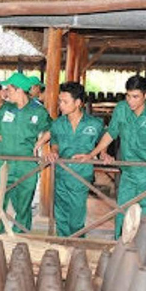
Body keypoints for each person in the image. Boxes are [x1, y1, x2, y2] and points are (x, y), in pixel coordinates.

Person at [80, 75, 146, 238]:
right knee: (122, 211)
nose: (130, 101)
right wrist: (93, 153)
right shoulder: (121, 109)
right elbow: (111, 133)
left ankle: (140, 247)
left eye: (135, 97)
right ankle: (119, 244)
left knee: (144, 215)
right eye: (128, 96)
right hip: (127, 171)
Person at [39, 82, 103, 236]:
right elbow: (55, 142)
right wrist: (53, 152)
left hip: (81, 174)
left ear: (78, 103)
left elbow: (104, 140)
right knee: (60, 215)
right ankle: (63, 246)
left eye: (65, 101)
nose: (61, 105)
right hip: (61, 174)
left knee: (76, 216)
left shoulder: (95, 124)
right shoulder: (58, 123)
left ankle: (77, 244)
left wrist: (102, 153)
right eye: (60, 101)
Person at [0, 72, 51, 233]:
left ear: (19, 90)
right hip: (5, 164)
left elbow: (51, 129)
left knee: (23, 205)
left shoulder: (38, 111)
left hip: (26, 165)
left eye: (9, 89)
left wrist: (39, 143)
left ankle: (20, 237)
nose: (5, 93)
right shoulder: (5, 109)